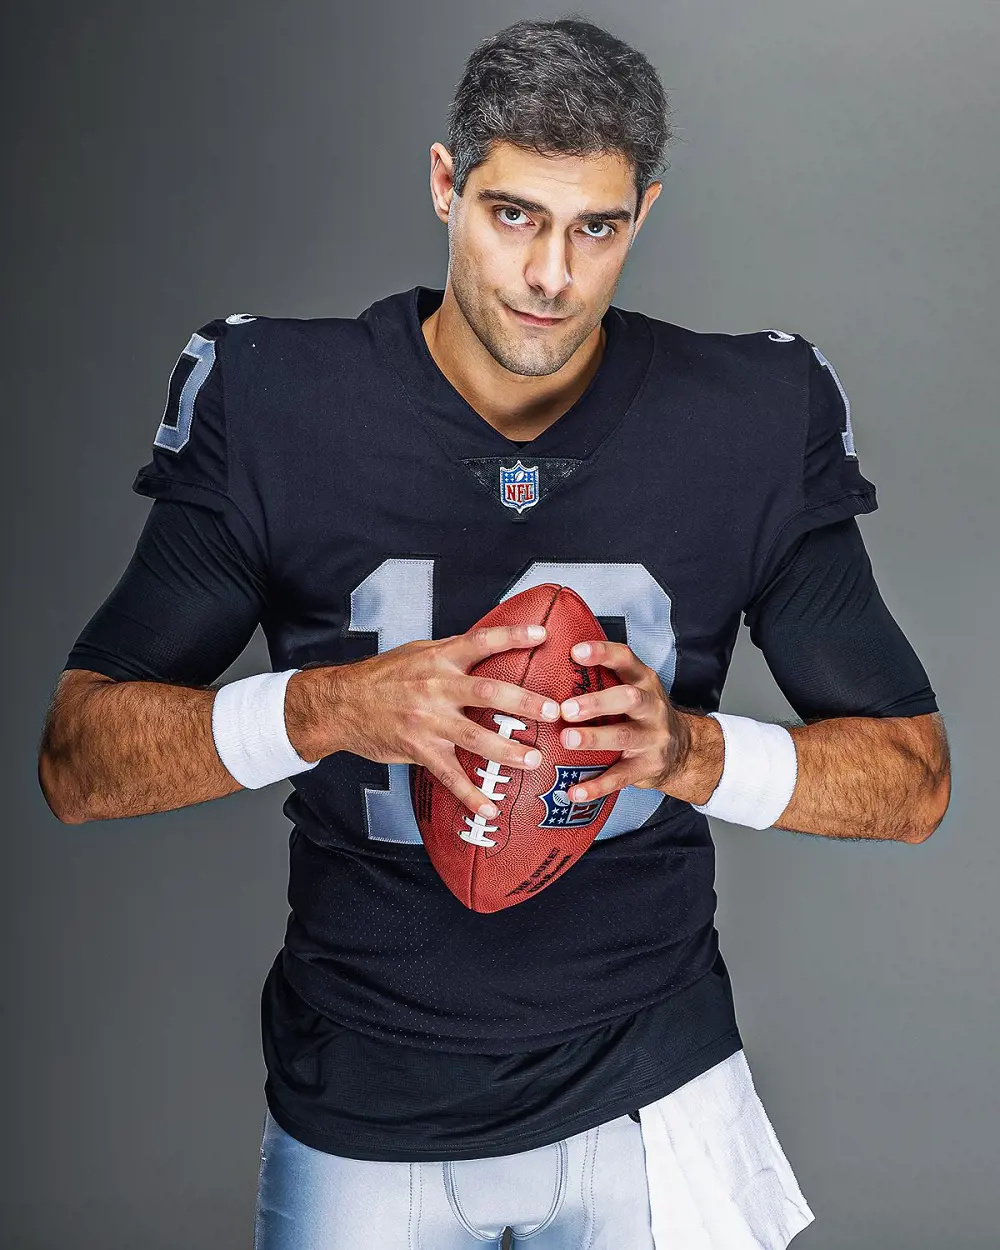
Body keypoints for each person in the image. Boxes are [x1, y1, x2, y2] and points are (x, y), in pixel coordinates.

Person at [38, 16, 950, 1250]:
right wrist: (329, 706)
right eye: (513, 214)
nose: (550, 275)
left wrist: (685, 748)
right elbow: (78, 761)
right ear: (442, 185)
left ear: (645, 214)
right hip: (365, 1102)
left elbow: (910, 781)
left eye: (596, 227)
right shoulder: (277, 403)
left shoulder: (747, 414)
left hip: (651, 1094)